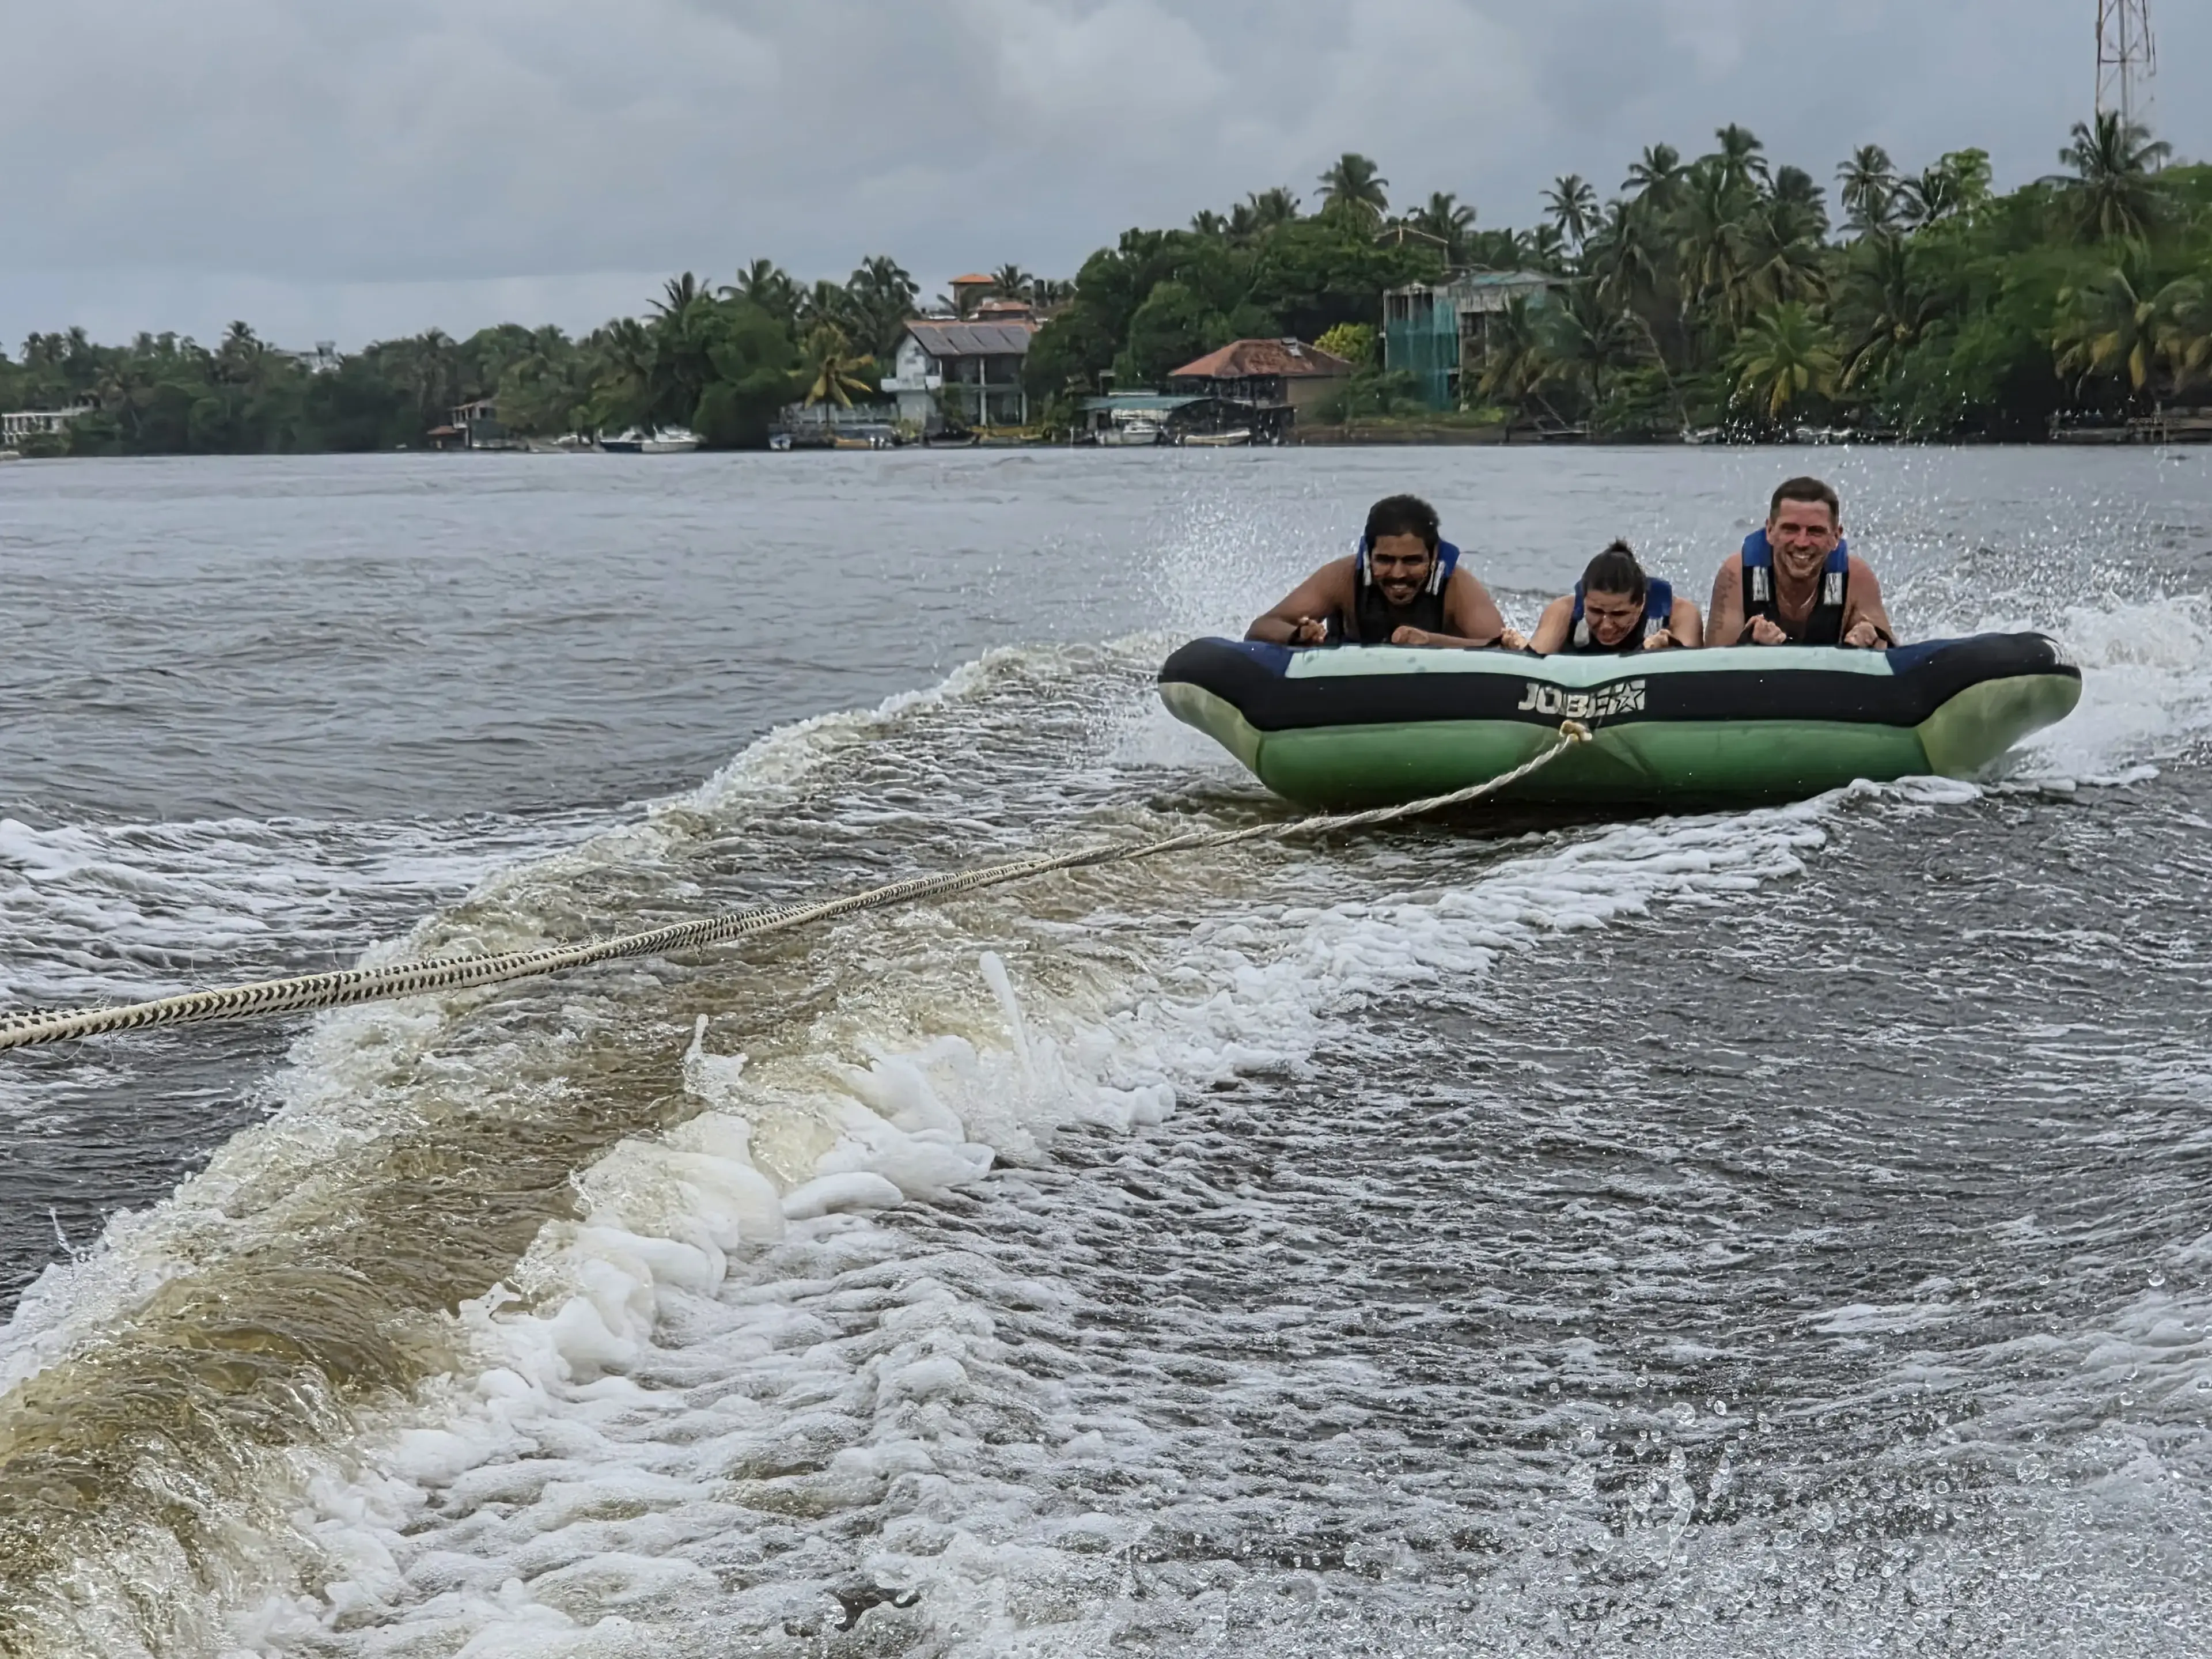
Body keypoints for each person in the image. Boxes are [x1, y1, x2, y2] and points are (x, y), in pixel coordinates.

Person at [1247, 493, 1520, 649]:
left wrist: (1429, 641)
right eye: (1385, 560)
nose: (1398, 574)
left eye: (1412, 561)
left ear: (1434, 555)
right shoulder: (1341, 579)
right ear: (1368, 555)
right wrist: (1298, 635)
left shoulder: (1456, 587)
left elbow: (1501, 648)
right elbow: (1261, 628)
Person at [1706, 477, 1895, 649]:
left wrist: (1871, 640)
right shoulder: (1737, 575)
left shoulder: (1857, 578)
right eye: (1790, 529)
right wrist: (1748, 642)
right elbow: (1714, 663)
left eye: (1815, 531)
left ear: (1836, 536)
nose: (1802, 543)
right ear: (1770, 531)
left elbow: (1892, 657)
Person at [1528, 540, 1703, 654]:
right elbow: (1534, 659)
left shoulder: (1680, 614)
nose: (1606, 626)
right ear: (1584, 600)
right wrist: (1521, 651)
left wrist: (1664, 653)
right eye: (1596, 611)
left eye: (1619, 614)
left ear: (1641, 603)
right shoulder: (1564, 611)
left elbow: (1692, 672)